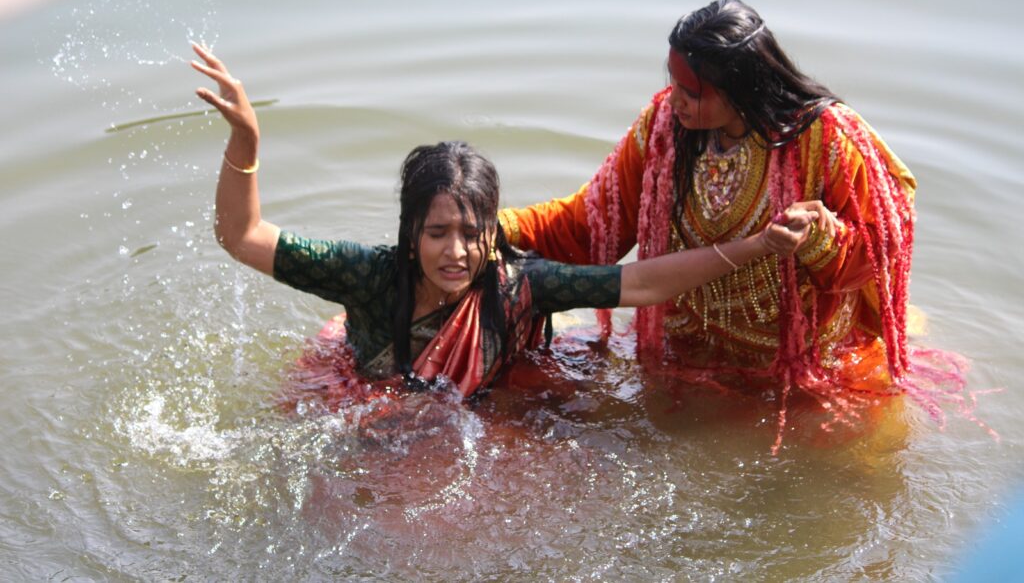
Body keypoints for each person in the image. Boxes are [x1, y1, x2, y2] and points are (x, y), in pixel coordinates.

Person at [189, 41, 818, 403]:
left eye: (472, 234)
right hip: (367, 408)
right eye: (437, 234)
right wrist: (246, 141)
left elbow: (644, 283)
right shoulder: (369, 275)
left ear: (494, 235)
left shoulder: (518, 286)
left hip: (466, 415)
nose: (455, 253)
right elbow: (242, 237)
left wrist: (757, 245)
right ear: (410, 235)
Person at [498, 0, 959, 430]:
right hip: (683, 354)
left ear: (741, 90)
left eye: (691, 92)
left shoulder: (825, 139)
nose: (673, 100)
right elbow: (593, 221)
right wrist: (490, 228)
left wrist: (820, 235)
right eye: (673, 84)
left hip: (801, 369)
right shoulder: (664, 127)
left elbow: (881, 247)